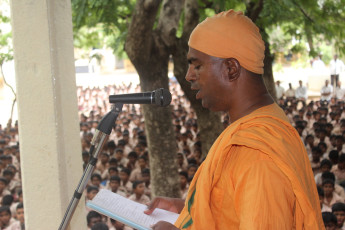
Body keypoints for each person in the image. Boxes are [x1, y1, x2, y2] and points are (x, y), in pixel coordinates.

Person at [145, 9, 323, 229]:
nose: (189, 75)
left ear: (231, 69)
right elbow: (233, 211)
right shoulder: (258, 124)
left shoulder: (257, 155)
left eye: (197, 65)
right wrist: (189, 209)